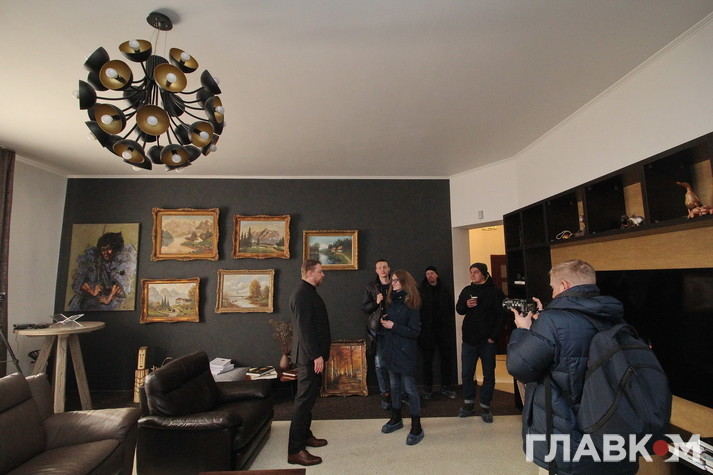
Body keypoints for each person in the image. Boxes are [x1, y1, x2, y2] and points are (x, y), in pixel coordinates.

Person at [506, 259, 637, 474]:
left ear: (564, 285)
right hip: (613, 428)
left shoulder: (552, 322)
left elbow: (518, 366)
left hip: (568, 436)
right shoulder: (615, 316)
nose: (553, 293)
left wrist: (524, 330)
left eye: (553, 287)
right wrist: (545, 321)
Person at [287, 259, 332, 466]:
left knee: (309, 400)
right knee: (303, 402)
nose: (323, 275)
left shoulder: (308, 292)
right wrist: (316, 356)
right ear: (309, 272)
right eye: (320, 272)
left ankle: (305, 435)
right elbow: (305, 329)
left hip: (311, 357)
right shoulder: (301, 294)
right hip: (309, 358)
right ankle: (295, 450)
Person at [456, 262, 507, 422]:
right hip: (469, 340)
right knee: (466, 373)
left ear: (484, 273)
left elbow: (502, 316)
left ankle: (485, 406)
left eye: (476, 272)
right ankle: (468, 404)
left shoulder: (495, 292)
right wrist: (466, 305)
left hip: (487, 341)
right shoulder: (467, 290)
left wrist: (494, 337)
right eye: (471, 272)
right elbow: (459, 309)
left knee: (488, 374)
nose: (472, 275)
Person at [379, 270, 425, 445]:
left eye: (397, 280)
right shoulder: (391, 301)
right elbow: (392, 325)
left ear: (406, 282)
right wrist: (386, 322)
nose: (394, 283)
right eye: (393, 280)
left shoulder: (413, 303)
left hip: (405, 352)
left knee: (410, 389)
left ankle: (416, 426)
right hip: (391, 350)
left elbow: (414, 331)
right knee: (394, 386)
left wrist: (393, 326)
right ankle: (396, 418)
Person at [68, 231, 136, 311]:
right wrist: (91, 291)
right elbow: (79, 278)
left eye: (109, 249)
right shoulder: (92, 258)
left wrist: (109, 298)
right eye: (103, 250)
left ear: (115, 248)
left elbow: (120, 282)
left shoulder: (121, 259)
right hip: (86, 302)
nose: (106, 253)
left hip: (107, 302)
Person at [417, 265, 457, 399]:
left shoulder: (444, 290)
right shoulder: (421, 291)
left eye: (432, 273)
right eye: (427, 274)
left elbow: (451, 309)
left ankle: (446, 387)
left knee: (446, 359)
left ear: (437, 275)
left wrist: (448, 324)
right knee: (427, 361)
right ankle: (428, 388)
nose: (430, 276)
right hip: (427, 331)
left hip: (443, 330)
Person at [361, 258, 392, 410]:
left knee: (395, 362)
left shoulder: (396, 283)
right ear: (376, 270)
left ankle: (398, 393)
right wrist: (376, 302)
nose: (382, 270)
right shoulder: (371, 287)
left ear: (389, 268)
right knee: (379, 364)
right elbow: (365, 308)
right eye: (379, 267)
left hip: (394, 329)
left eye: (384, 267)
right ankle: (385, 394)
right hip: (378, 330)